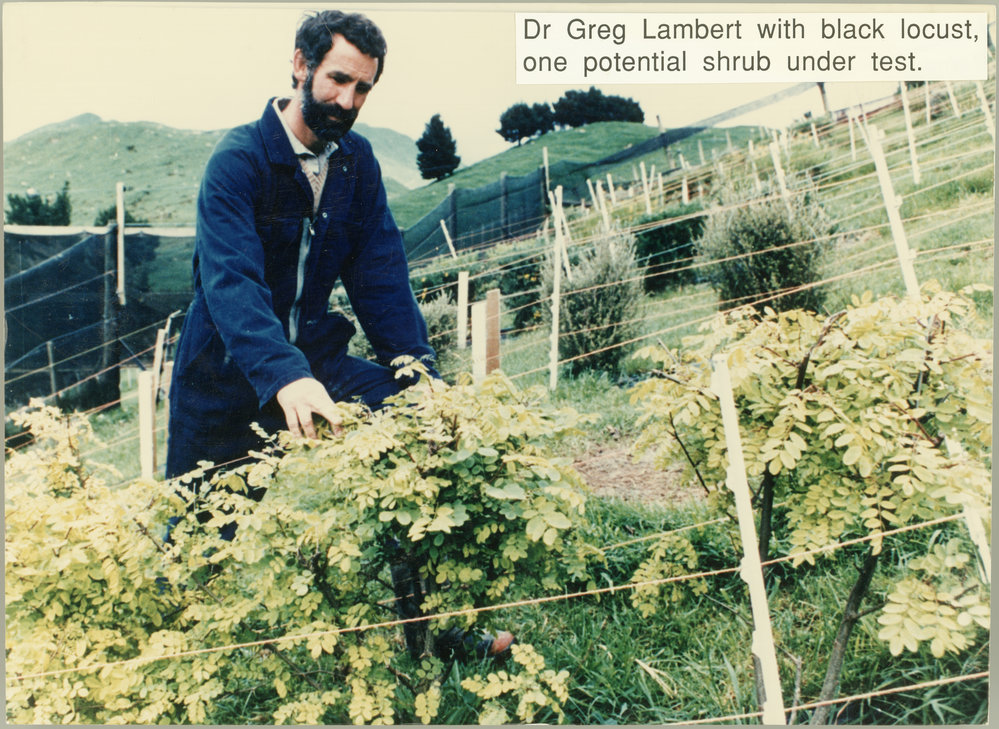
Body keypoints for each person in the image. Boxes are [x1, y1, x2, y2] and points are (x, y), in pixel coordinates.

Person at [166, 10, 437, 482]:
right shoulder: (239, 161)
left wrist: (418, 370)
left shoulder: (357, 163)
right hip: (223, 374)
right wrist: (284, 376)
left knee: (421, 421)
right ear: (300, 64)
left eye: (363, 88)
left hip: (316, 360)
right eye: (337, 79)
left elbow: (382, 278)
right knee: (201, 536)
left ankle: (404, 553)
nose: (347, 101)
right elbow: (232, 282)